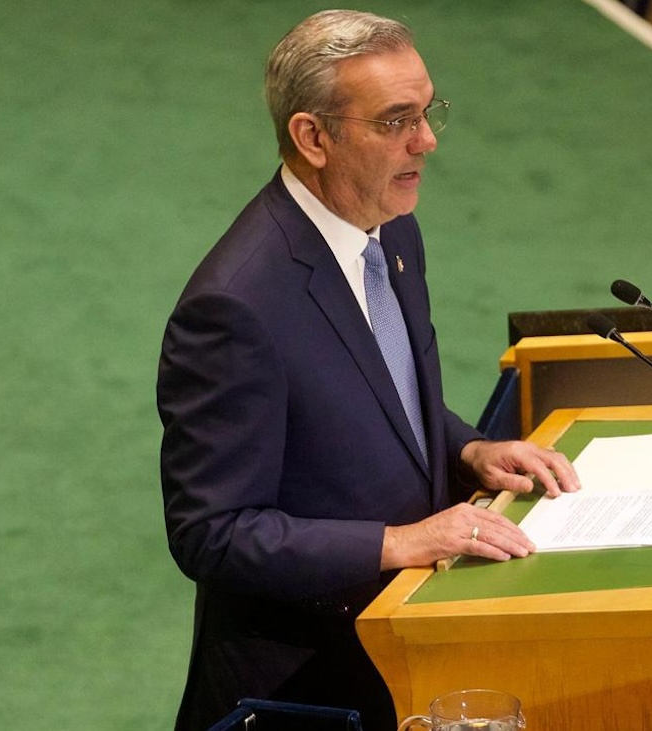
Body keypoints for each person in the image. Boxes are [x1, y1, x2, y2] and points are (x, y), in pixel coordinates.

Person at [155, 10, 580, 731]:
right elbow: (212, 533)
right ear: (312, 137)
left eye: (427, 111)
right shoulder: (235, 306)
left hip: (407, 644)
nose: (427, 140)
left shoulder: (392, 229)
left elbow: (378, 396)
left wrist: (469, 449)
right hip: (308, 690)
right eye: (395, 121)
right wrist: (401, 541)